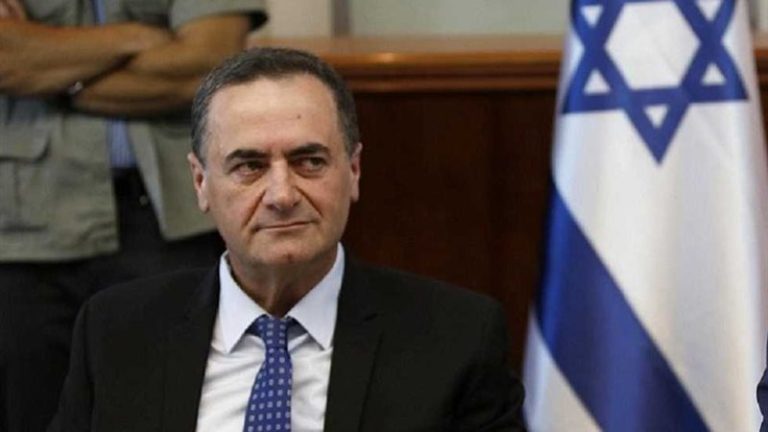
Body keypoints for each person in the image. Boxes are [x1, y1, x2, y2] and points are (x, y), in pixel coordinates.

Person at [48, 47, 526, 431]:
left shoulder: (456, 338)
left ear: (354, 171)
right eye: (249, 166)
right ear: (200, 183)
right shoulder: (117, 333)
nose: (282, 195)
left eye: (309, 162)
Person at [0, 0, 267, 430]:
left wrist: (52, 73)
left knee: (174, 411)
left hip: (171, 219)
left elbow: (208, 64)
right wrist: (134, 37)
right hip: (24, 228)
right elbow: (7, 59)